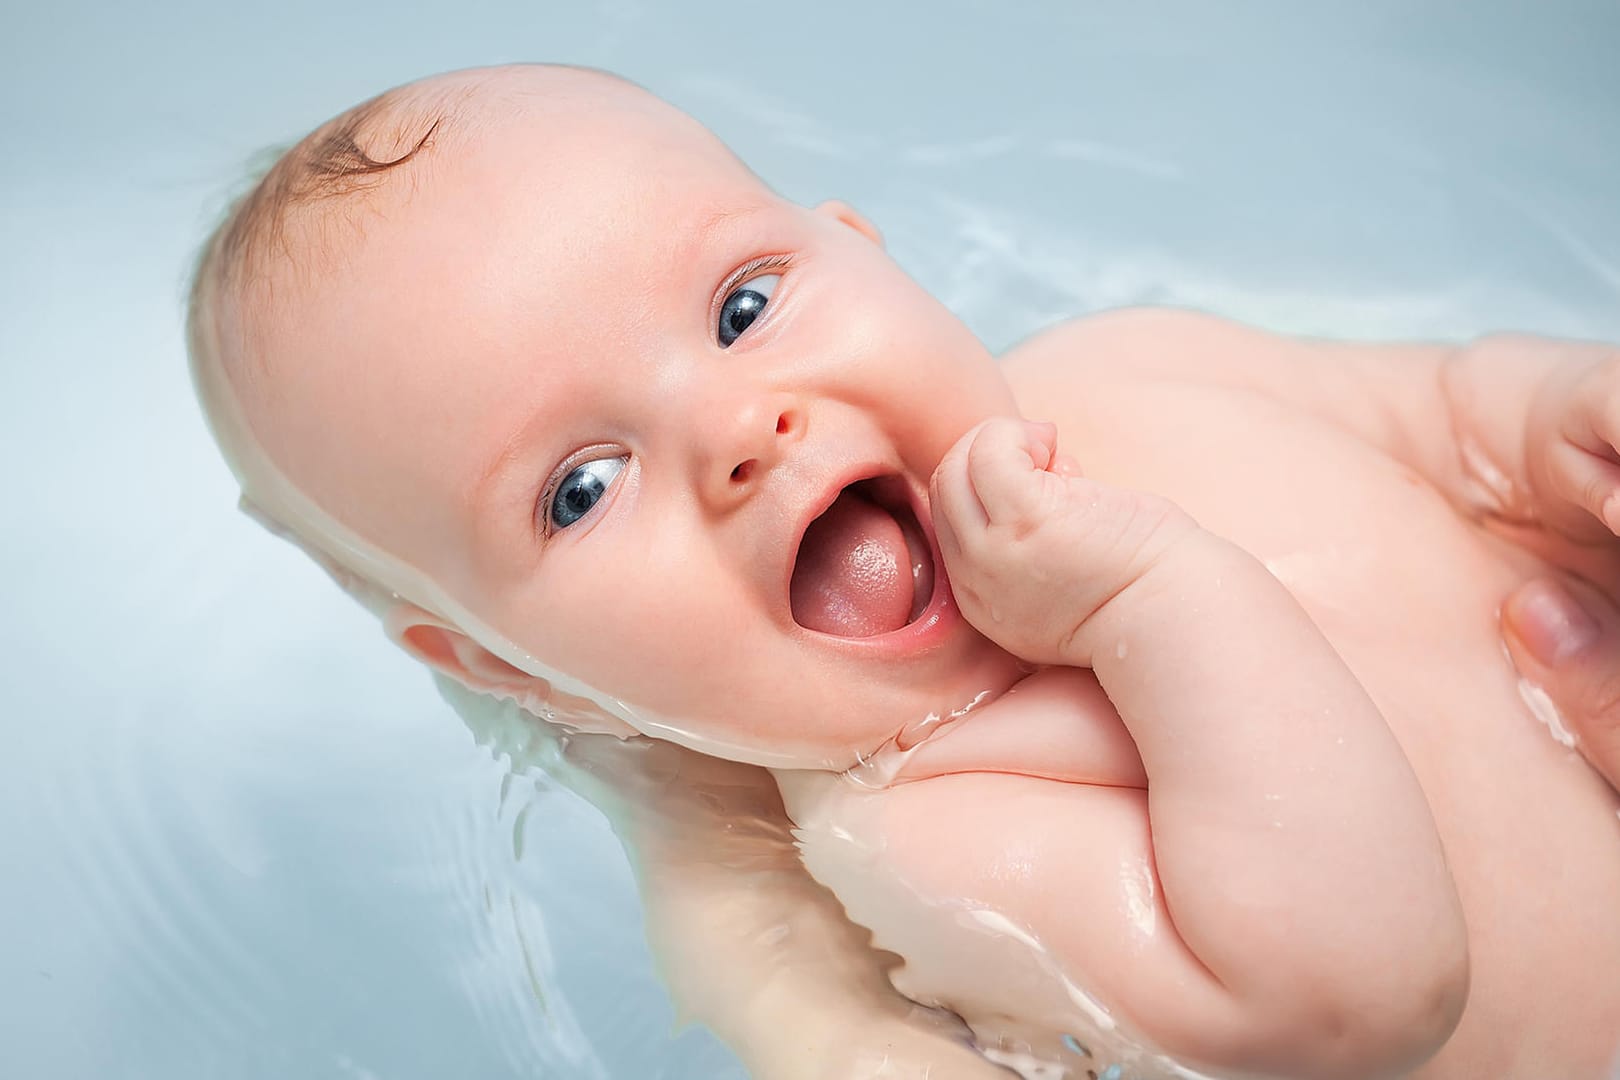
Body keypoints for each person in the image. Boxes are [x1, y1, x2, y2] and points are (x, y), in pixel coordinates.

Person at [186, 64, 1620, 1078]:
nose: (738, 432)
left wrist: (1554, 420)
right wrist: (1150, 603)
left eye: (745, 306)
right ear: (512, 671)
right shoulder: (934, 831)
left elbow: (1447, 412)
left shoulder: (1143, 361)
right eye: (581, 487)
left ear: (865, 252)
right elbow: (1363, 1004)